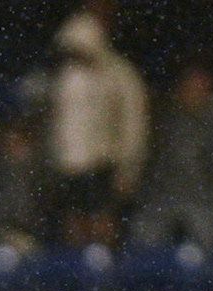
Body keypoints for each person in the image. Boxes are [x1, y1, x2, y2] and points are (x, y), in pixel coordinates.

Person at [44, 10, 150, 247]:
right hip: (69, 166)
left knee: (104, 225)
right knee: (73, 226)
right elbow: (57, 124)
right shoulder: (64, 78)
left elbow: (133, 125)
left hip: (104, 163)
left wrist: (128, 167)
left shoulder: (121, 76)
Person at [132, 64, 213, 252]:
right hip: (164, 198)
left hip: (206, 199)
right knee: (144, 236)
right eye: (191, 86)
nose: (197, 92)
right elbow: (150, 164)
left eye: (202, 87)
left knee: (207, 240)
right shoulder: (166, 118)